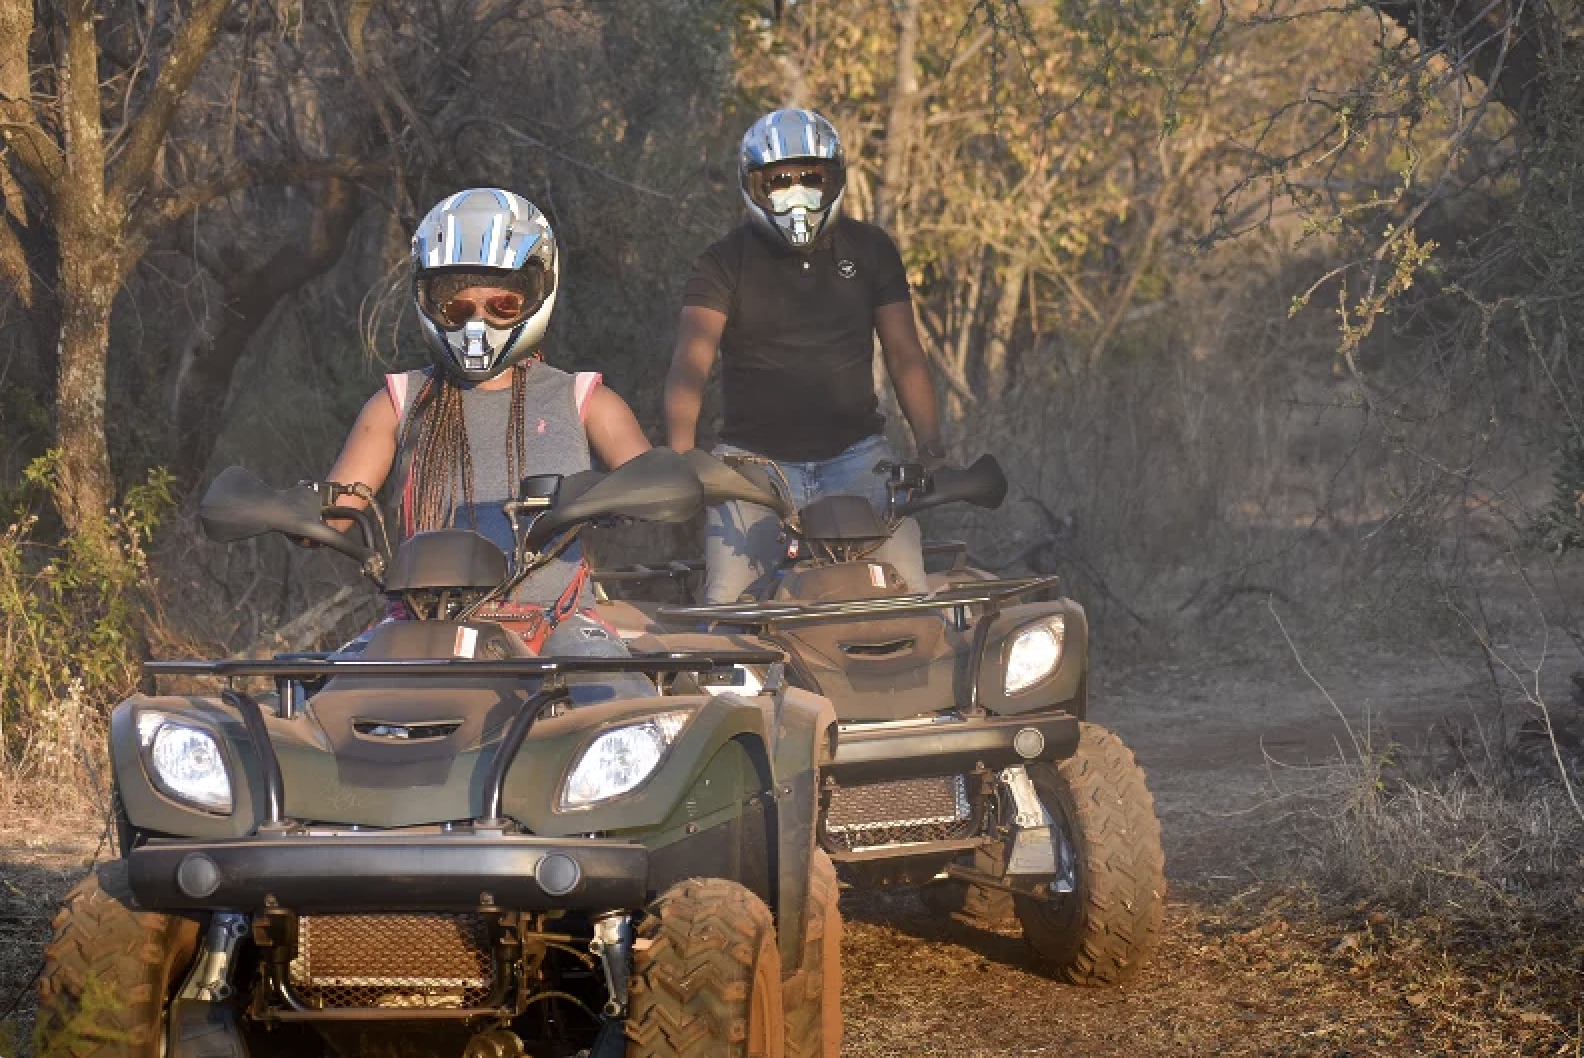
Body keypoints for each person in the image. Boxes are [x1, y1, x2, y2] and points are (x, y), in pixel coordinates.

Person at [325, 188, 650, 675]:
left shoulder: (585, 400)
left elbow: (655, 483)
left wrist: (620, 495)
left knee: (613, 695)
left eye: (501, 304)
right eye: (457, 309)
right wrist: (292, 512)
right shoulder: (397, 402)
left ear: (537, 294)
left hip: (557, 623)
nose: (477, 323)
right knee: (321, 695)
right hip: (419, 627)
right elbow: (336, 510)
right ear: (428, 302)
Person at [663, 108, 948, 604]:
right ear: (753, 187)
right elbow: (691, 364)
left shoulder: (871, 250)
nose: (797, 194)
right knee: (728, 604)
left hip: (857, 457)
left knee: (909, 592)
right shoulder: (722, 261)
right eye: (779, 182)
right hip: (751, 468)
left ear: (835, 179)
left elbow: (905, 355)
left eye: (812, 179)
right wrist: (685, 463)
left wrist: (931, 449)